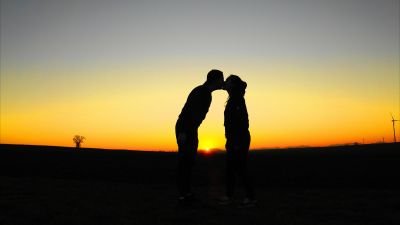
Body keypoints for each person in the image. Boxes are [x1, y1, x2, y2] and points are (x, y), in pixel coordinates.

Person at [176, 69, 224, 203]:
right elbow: (188, 113)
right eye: (221, 79)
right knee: (185, 161)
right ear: (215, 80)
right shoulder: (201, 92)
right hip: (186, 128)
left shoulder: (204, 92)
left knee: (188, 161)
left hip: (190, 128)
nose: (223, 82)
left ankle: (186, 193)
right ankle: (184, 195)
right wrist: (183, 132)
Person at [219, 75, 256, 207]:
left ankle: (250, 197)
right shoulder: (234, 98)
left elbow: (242, 122)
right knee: (231, 168)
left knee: (241, 168)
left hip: (239, 139)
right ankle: (229, 196)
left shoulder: (237, 99)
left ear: (233, 85)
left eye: (228, 81)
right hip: (234, 139)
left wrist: (237, 142)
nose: (225, 83)